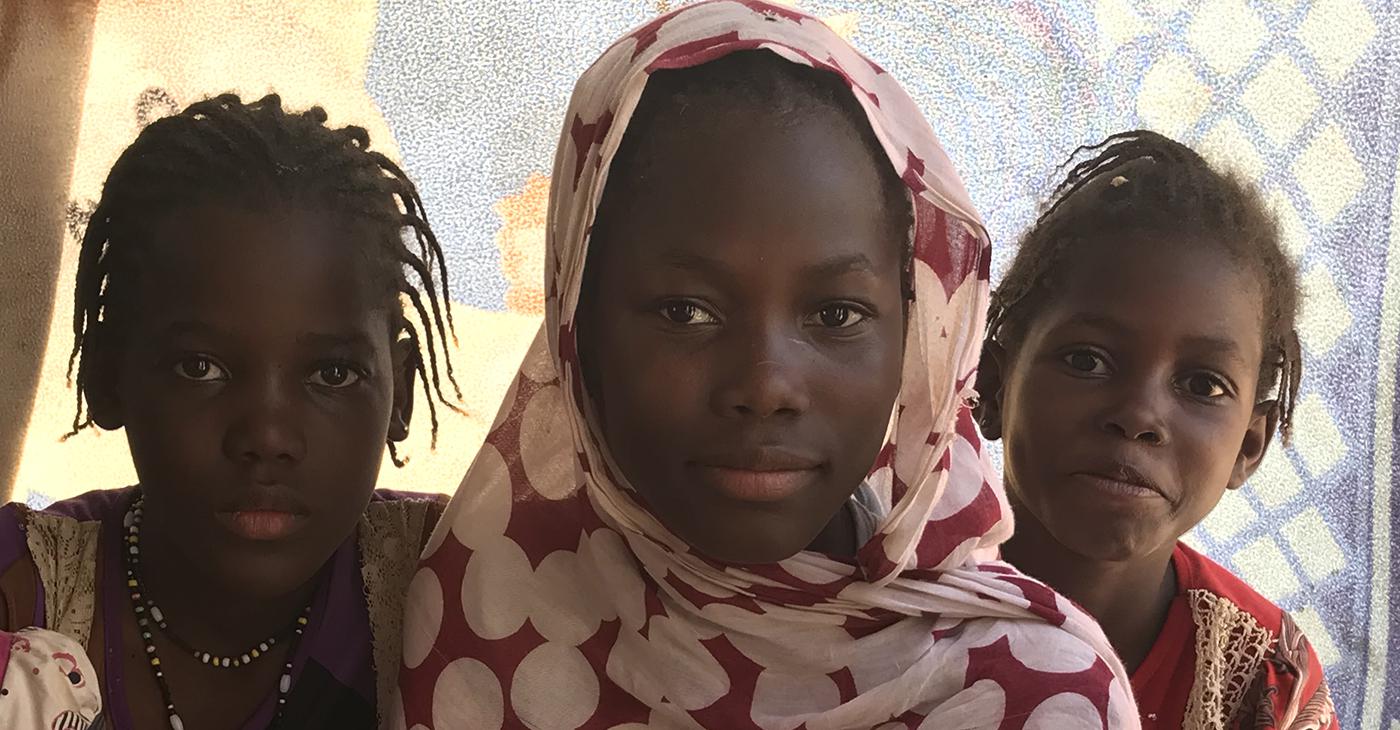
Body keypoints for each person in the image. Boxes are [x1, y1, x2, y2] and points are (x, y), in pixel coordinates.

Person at [397, 3, 1140, 727]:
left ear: (916, 341)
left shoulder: (1034, 696)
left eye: (836, 315)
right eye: (686, 311)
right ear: (574, 326)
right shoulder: (485, 604)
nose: (764, 386)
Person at [0, 93, 460, 729]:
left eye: (333, 373)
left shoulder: (463, 588)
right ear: (109, 376)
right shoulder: (25, 594)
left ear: (400, 395)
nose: (266, 436)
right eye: (200, 367)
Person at [975, 130, 1337, 728]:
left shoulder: (1265, 685)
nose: (1139, 415)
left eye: (1202, 385)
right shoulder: (864, 603)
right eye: (1087, 360)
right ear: (991, 383)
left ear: (1251, 444)